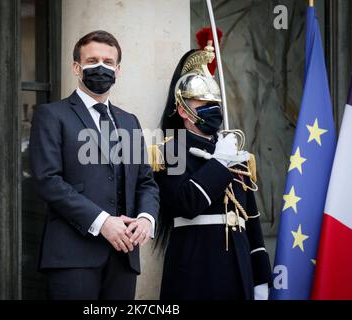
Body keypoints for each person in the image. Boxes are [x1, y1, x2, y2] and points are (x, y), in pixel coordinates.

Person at [29, 30, 159, 300]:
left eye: (108, 62)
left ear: (118, 70)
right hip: (72, 257)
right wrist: (103, 223)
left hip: (124, 257)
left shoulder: (129, 121)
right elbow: (48, 180)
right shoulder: (51, 115)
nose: (101, 68)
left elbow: (146, 182)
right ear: (77, 67)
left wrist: (146, 219)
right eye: (92, 61)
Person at [154, 28, 272, 300]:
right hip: (196, 265)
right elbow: (186, 203)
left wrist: (260, 276)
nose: (213, 109)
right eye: (203, 102)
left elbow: (250, 220)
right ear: (183, 110)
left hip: (239, 266)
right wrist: (219, 163)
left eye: (215, 102)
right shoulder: (171, 150)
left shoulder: (233, 152)